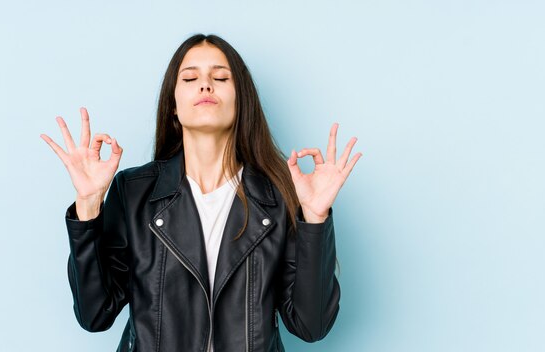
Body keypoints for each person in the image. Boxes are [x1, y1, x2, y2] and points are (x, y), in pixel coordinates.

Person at [40, 33, 361, 352]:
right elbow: (95, 314)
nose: (206, 85)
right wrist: (88, 206)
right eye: (191, 77)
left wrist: (315, 220)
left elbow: (311, 325)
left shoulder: (277, 195)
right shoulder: (134, 192)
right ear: (173, 107)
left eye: (221, 77)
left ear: (242, 101)